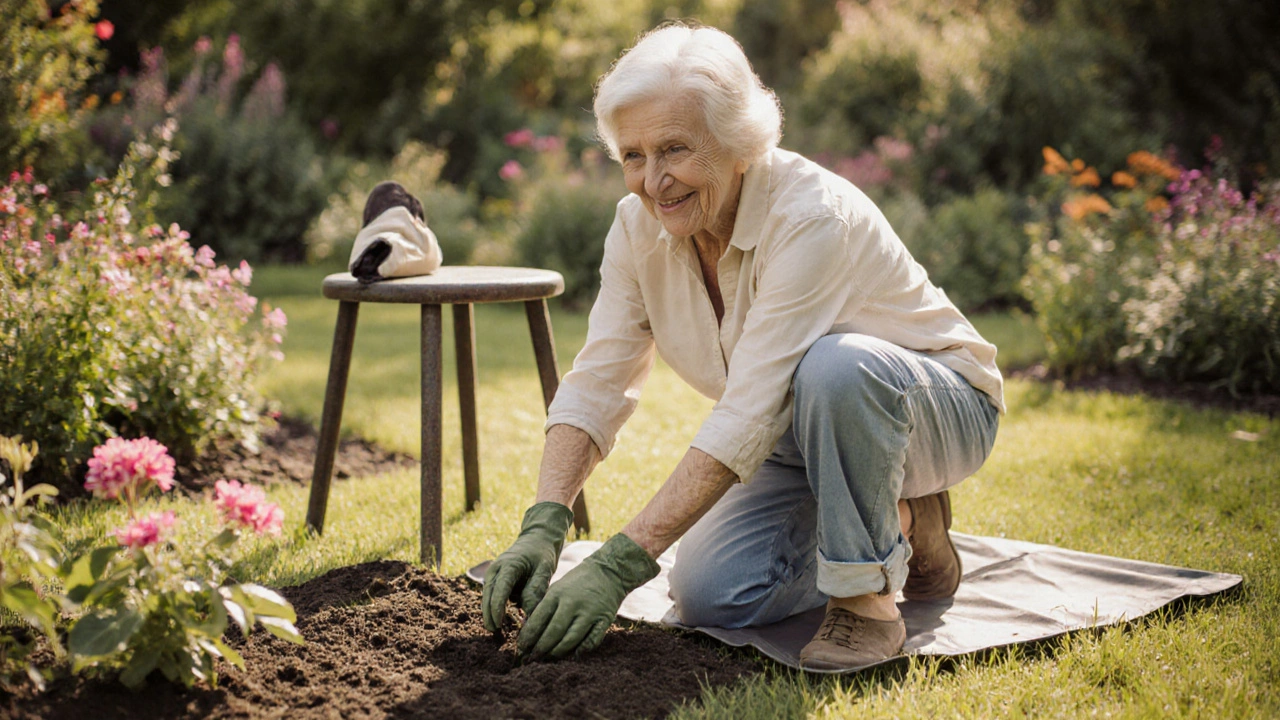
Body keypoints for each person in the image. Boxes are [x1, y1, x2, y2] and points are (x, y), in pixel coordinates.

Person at [481, 22, 1003, 671]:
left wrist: (620, 562)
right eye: (634, 155)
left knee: (836, 366)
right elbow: (599, 378)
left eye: (675, 149)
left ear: (737, 144)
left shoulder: (809, 217)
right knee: (711, 594)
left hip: (932, 406)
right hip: (794, 432)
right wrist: (545, 521)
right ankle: (898, 521)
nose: (653, 180)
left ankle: (865, 598)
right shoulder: (635, 228)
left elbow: (749, 409)